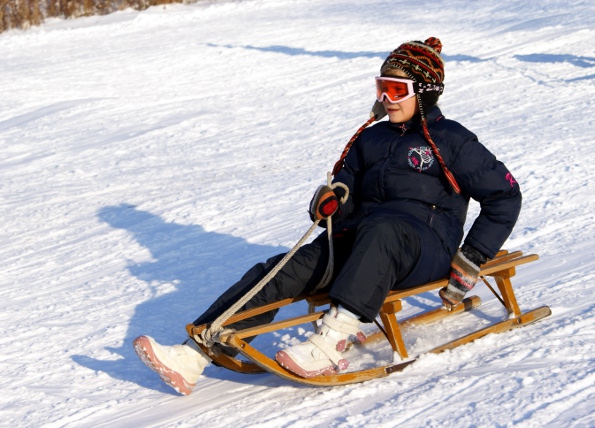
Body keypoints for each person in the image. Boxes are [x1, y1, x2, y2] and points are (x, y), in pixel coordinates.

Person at [133, 37, 522, 395]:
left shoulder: (452, 139)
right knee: (283, 266)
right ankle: (195, 352)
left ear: (424, 93)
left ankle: (331, 340)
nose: (387, 98)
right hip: (365, 239)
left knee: (383, 230)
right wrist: (332, 200)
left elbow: (505, 195)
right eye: (381, 87)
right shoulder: (371, 138)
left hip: (425, 248)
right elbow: (346, 186)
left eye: (397, 90)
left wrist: (470, 257)